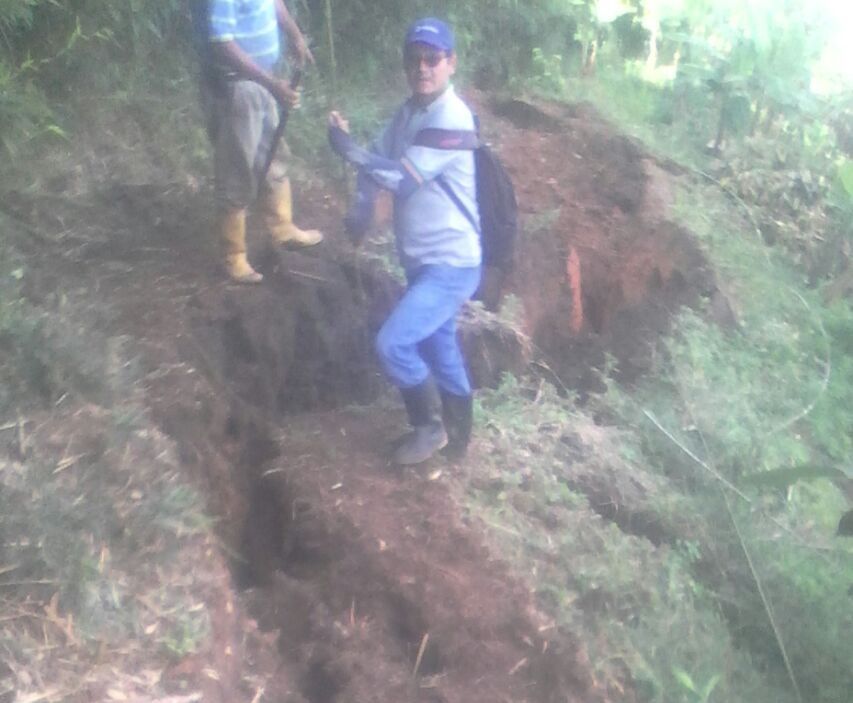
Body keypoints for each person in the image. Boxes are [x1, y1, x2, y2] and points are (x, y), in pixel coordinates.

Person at [327, 18, 481, 465]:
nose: (422, 67)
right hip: (424, 262)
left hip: (450, 262)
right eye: (414, 59)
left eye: (433, 58)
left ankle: (430, 428)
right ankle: (459, 438)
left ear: (451, 63)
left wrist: (346, 149)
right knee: (438, 343)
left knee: (393, 344)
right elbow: (376, 158)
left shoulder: (452, 117)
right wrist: (360, 208)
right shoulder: (410, 112)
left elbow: (400, 179)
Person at [192, 0, 323, 284]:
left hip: (261, 82)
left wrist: (295, 35)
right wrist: (271, 84)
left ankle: (282, 228)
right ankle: (234, 255)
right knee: (237, 168)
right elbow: (222, 43)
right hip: (237, 87)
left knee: (273, 157)